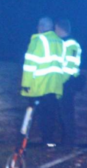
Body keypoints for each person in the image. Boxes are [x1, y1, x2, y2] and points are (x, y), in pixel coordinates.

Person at [21, 17, 65, 147]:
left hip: (39, 85)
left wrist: (26, 84)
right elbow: (62, 65)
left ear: (41, 27)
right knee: (50, 115)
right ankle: (48, 141)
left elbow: (30, 64)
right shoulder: (61, 42)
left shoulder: (38, 40)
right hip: (54, 86)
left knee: (31, 113)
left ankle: (23, 140)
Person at [55, 19, 84, 148]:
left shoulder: (70, 44)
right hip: (66, 83)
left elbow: (68, 68)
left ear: (58, 28)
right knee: (64, 115)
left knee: (66, 115)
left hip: (66, 84)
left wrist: (59, 83)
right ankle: (66, 142)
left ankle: (68, 143)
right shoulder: (68, 43)